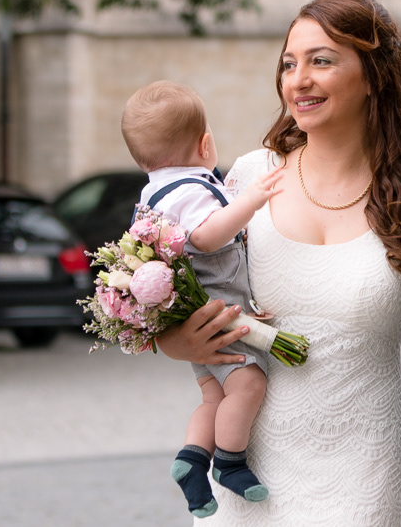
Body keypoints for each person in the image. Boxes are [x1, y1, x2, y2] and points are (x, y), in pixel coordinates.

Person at [155, 0, 401, 525]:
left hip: (361, 467)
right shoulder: (249, 176)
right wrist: (173, 339)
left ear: (374, 75)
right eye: (289, 63)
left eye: (321, 61)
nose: (298, 79)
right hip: (244, 464)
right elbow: (186, 283)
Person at [121, 80, 284, 517]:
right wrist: (249, 202)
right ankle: (229, 462)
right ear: (205, 144)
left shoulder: (152, 193)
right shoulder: (190, 189)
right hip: (218, 316)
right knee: (249, 384)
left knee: (214, 398)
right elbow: (208, 237)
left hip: (197, 318)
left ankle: (192, 461)